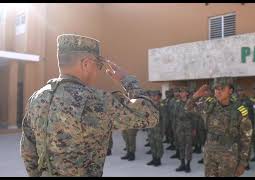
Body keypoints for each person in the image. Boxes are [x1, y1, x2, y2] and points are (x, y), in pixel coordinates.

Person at [20, 34, 159, 177]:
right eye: (98, 65)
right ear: (86, 63)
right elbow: (150, 115)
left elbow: (28, 152)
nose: (98, 71)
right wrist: (127, 80)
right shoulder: (95, 100)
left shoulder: (36, 98)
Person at [186, 77, 252, 177]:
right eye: (216, 89)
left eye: (222, 89)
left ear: (230, 91)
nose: (218, 92)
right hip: (210, 154)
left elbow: (246, 138)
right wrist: (195, 96)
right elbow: (187, 108)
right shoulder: (208, 106)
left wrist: (243, 163)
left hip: (228, 156)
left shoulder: (240, 110)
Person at [175, 87, 193, 173]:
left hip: (189, 127)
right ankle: (182, 164)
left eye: (183, 92)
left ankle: (188, 164)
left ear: (187, 93)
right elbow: (175, 115)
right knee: (181, 146)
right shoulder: (177, 103)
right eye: (180, 92)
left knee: (188, 147)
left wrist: (194, 128)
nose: (181, 93)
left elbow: (195, 117)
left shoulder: (191, 103)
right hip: (180, 127)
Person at [146, 90, 165, 167]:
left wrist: (163, 131)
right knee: (152, 143)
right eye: (152, 95)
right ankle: (154, 158)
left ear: (159, 96)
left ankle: (158, 159)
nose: (153, 96)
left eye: (155, 95)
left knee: (158, 144)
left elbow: (164, 119)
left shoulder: (161, 105)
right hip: (151, 128)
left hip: (158, 128)